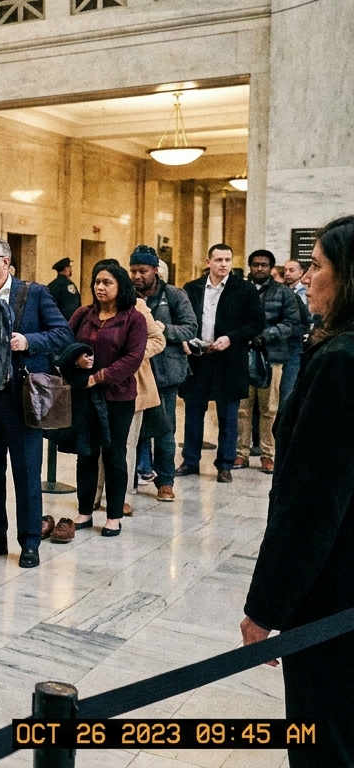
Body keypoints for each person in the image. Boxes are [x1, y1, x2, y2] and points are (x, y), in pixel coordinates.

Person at [242, 215, 354, 767]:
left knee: (324, 738)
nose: (306, 279)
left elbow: (310, 502)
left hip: (335, 591)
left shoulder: (340, 362)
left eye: (316, 267)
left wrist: (264, 608)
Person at [0, 237, 73, 569]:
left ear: (6, 261)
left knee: (27, 473)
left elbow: (63, 334)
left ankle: (29, 542)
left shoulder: (35, 293)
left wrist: (28, 341)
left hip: (24, 398)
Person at [63, 262, 148, 537]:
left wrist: (98, 377)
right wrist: (75, 357)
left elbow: (133, 358)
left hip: (117, 396)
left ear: (120, 286)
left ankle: (113, 515)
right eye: (97, 281)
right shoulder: (83, 314)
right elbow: (63, 343)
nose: (100, 287)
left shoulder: (133, 318)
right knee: (86, 452)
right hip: (84, 396)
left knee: (114, 455)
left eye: (107, 282)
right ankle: (84, 511)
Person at [177, 244, 264, 483]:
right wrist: (186, 339)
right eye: (218, 260)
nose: (223, 264)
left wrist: (231, 338)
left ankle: (225, 464)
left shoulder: (244, 289)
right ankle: (190, 460)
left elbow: (256, 323)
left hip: (229, 359)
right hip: (199, 358)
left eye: (227, 259)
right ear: (208, 262)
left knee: (228, 415)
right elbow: (183, 319)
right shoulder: (192, 288)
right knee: (193, 412)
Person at [130, 245, 198, 502]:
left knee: (165, 431)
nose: (137, 276)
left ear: (155, 271)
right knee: (133, 430)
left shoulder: (174, 295)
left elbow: (190, 328)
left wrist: (163, 329)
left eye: (143, 271)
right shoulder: (126, 295)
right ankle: (133, 476)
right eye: (134, 270)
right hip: (135, 373)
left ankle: (165, 481)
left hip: (166, 373)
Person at [236, 250, 302, 473]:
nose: (259, 269)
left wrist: (265, 335)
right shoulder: (240, 290)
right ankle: (241, 453)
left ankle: (267, 454)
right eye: (255, 265)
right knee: (242, 409)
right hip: (243, 356)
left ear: (272, 268)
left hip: (272, 357)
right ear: (250, 266)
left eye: (264, 265)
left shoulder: (283, 293)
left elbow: (292, 323)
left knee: (269, 409)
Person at [279, 258, 312, 406]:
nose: (287, 274)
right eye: (285, 270)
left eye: (291, 270)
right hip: (282, 343)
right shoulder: (281, 290)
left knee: (289, 389)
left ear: (301, 272)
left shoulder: (306, 292)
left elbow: (308, 318)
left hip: (297, 341)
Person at [48, 256, 82, 321]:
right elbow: (75, 305)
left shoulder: (51, 285)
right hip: (68, 323)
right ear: (67, 268)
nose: (71, 269)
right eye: (70, 267)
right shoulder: (69, 285)